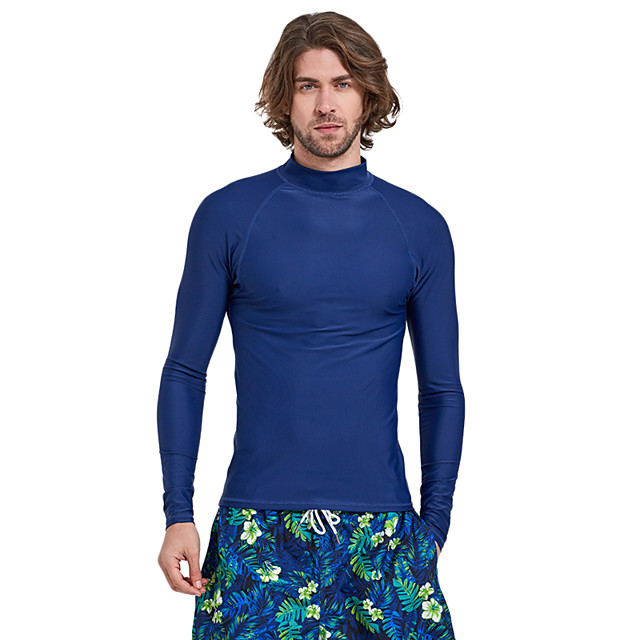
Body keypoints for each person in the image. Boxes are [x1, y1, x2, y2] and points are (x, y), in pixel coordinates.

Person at [157, 11, 465, 640]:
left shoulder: (419, 227)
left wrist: (434, 525)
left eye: (342, 84)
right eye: (308, 86)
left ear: (368, 94)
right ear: (285, 97)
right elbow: (185, 370)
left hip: (384, 534)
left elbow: (441, 390)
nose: (326, 104)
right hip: (256, 530)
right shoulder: (229, 216)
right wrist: (177, 511)